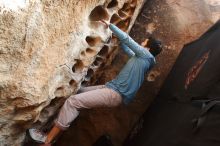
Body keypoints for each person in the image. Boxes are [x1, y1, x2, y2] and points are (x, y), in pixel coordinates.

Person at [28, 20, 162, 145]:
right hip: (110, 88)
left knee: (73, 101)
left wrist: (110, 25)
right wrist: (117, 40)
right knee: (77, 92)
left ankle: (47, 140)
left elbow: (128, 40)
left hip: (114, 93)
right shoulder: (143, 59)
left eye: (145, 42)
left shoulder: (146, 56)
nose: (143, 42)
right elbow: (128, 49)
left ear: (148, 47)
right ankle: (51, 130)